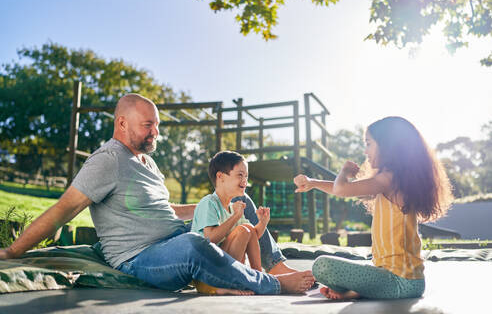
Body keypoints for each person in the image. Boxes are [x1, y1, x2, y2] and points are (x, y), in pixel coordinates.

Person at [0, 93, 314, 295]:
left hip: (174, 238)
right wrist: (13, 252)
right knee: (195, 244)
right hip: (140, 257)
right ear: (122, 123)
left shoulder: (147, 162)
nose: (156, 133)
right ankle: (271, 284)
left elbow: (166, 210)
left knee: (241, 202)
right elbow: (62, 210)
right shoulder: (107, 162)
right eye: (148, 125)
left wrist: (213, 204)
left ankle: (276, 265)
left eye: (158, 125)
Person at [294, 116, 453, 300]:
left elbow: (342, 189)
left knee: (322, 266)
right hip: (403, 279)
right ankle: (355, 292)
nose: (365, 151)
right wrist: (314, 183)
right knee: (361, 266)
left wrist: (344, 171)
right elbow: (345, 190)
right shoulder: (390, 180)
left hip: (398, 281)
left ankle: (356, 291)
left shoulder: (389, 179)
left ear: (387, 147)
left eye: (369, 144)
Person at [192, 151, 269, 272]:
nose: (245, 181)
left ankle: (257, 273)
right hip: (207, 272)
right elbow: (210, 239)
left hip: (222, 266)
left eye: (246, 176)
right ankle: (235, 281)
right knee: (243, 229)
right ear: (220, 176)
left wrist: (263, 222)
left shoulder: (234, 207)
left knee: (247, 227)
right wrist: (235, 217)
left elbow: (252, 236)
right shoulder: (208, 203)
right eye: (240, 175)